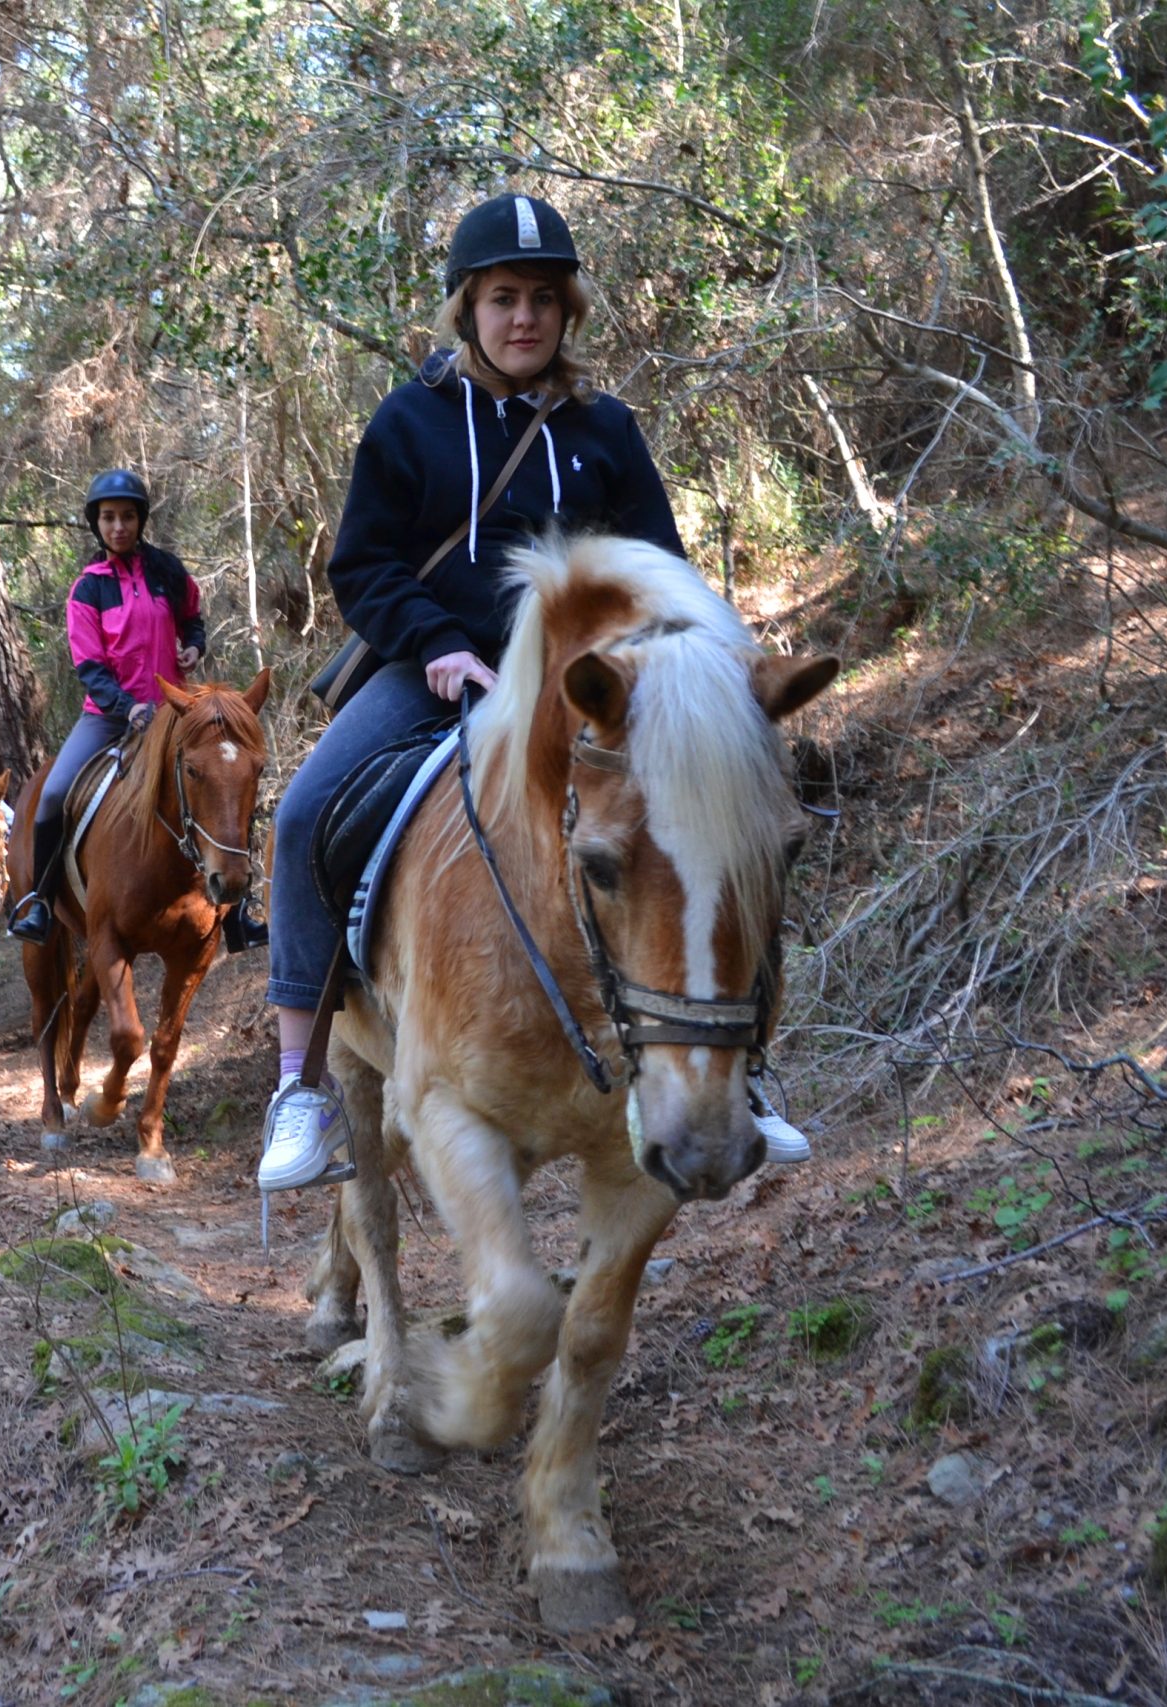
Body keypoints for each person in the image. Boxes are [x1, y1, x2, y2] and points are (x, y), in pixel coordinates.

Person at [255, 191, 814, 1192]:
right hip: (443, 676)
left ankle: (744, 1071)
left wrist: (699, 675)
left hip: (587, 696)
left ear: (570, 312)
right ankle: (299, 1085)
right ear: (466, 306)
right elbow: (363, 565)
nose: (524, 318)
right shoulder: (408, 421)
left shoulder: (606, 431)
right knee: (301, 817)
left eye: (544, 299)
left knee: (709, 839)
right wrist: (429, 642)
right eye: (504, 297)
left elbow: (662, 571)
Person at [8, 469, 268, 952]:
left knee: (222, 790)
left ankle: (237, 915)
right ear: (97, 524)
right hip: (108, 716)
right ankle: (40, 904)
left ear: (140, 520)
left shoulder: (167, 572)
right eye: (108, 518)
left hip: (175, 713)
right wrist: (126, 709)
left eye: (127, 517)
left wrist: (192, 645)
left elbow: (193, 616)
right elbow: (89, 665)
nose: (119, 527)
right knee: (52, 796)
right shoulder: (88, 588)